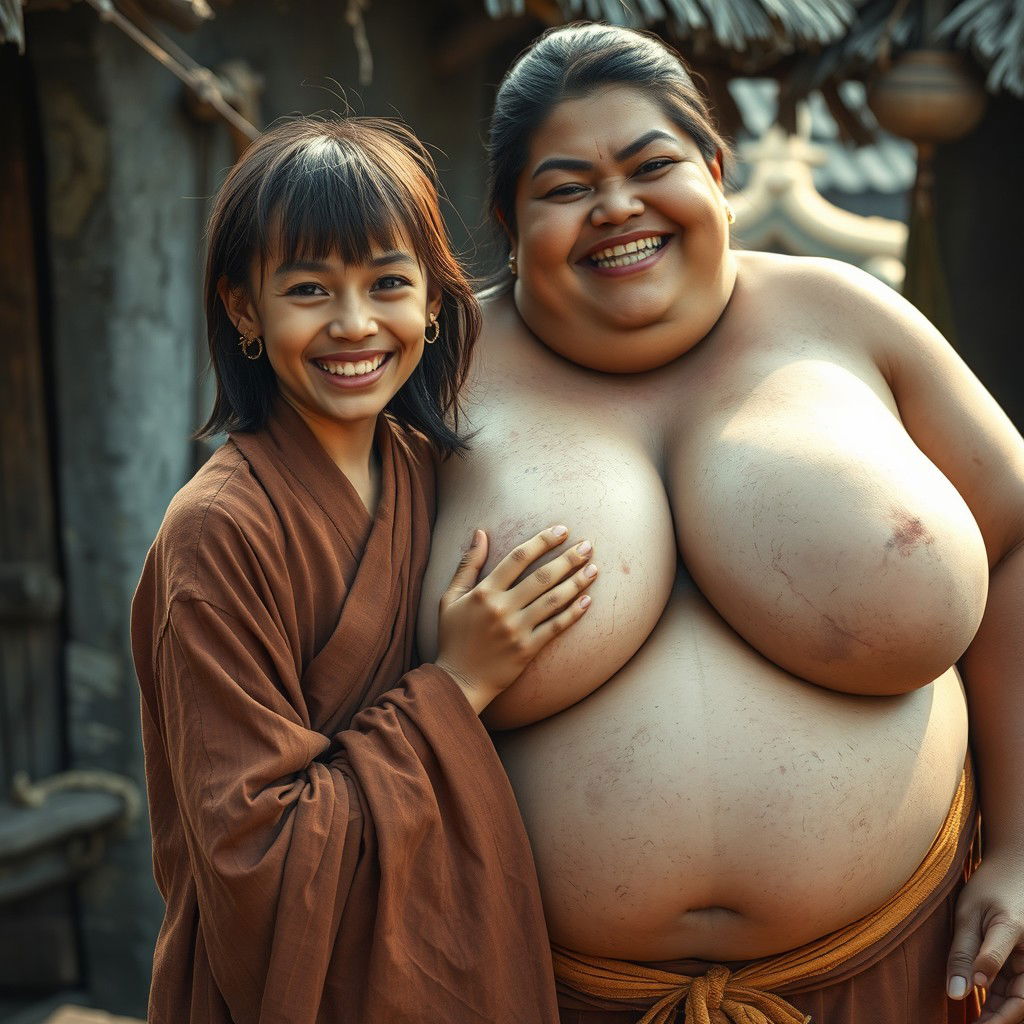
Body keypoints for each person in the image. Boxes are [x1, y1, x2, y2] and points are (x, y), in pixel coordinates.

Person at [417, 22, 1024, 1024]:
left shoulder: (847, 315)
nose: (617, 206)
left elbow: (1015, 539)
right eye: (565, 187)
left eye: (651, 164)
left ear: (713, 167)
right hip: (533, 989)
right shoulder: (435, 376)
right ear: (505, 215)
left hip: (908, 971)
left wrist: (1021, 846)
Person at [130, 116, 599, 1023]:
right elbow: (253, 859)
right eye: (309, 289)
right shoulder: (218, 533)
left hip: (462, 958)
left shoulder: (436, 473)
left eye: (387, 283)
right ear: (243, 309)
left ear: (431, 299)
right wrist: (457, 686)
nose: (354, 325)